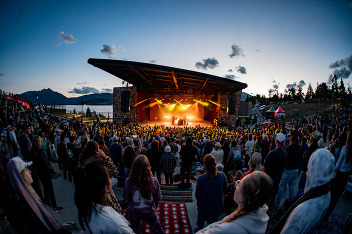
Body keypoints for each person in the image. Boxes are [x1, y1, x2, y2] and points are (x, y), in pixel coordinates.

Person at [271, 149, 335, 233]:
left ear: (314, 171)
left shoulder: (301, 212)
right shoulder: (327, 193)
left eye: (309, 169)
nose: (306, 173)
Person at [196, 171, 273, 234]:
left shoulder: (229, 229)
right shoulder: (261, 214)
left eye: (239, 184)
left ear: (243, 197)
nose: (236, 186)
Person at [7, 157, 64, 233]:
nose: (30, 171)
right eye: (26, 170)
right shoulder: (24, 203)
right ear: (20, 176)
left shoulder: (27, 194)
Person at [74, 161, 133, 233]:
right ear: (106, 188)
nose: (111, 180)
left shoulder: (86, 207)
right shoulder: (116, 224)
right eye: (109, 177)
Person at [78, 140, 122, 214]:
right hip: (105, 199)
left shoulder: (83, 165)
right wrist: (106, 158)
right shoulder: (97, 167)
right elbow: (115, 172)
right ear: (96, 153)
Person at [123, 155, 164, 234]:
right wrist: (155, 208)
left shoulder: (128, 181)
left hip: (134, 212)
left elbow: (126, 197)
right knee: (157, 229)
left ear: (133, 167)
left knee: (136, 230)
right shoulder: (154, 181)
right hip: (150, 212)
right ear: (148, 167)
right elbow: (158, 198)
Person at [194, 154, 228, 232]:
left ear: (204, 164)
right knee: (213, 221)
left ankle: (200, 228)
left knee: (201, 216)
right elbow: (226, 190)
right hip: (217, 205)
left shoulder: (201, 179)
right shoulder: (222, 175)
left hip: (203, 205)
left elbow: (197, 195)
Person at [324, 131, 352, 221]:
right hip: (345, 176)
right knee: (336, 198)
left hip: (339, 175)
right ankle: (327, 216)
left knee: (331, 196)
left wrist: (333, 172)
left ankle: (324, 214)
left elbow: (338, 165)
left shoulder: (345, 148)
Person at [30, 135, 62, 211]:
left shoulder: (33, 151)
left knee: (46, 188)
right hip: (45, 173)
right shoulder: (40, 152)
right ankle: (54, 205)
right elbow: (45, 163)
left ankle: (48, 202)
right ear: (39, 142)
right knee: (50, 190)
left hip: (40, 173)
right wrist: (50, 171)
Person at [274, 130, 302, 207]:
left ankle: (277, 203)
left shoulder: (289, 148)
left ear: (292, 137)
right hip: (295, 170)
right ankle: (291, 203)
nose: (289, 137)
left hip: (288, 170)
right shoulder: (299, 147)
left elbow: (285, 160)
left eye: (290, 136)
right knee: (292, 188)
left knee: (281, 187)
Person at [262, 133, 287, 205]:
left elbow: (264, 168)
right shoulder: (285, 153)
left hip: (269, 179)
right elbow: (284, 168)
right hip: (278, 179)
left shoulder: (271, 153)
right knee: (273, 197)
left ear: (276, 141)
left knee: (268, 198)